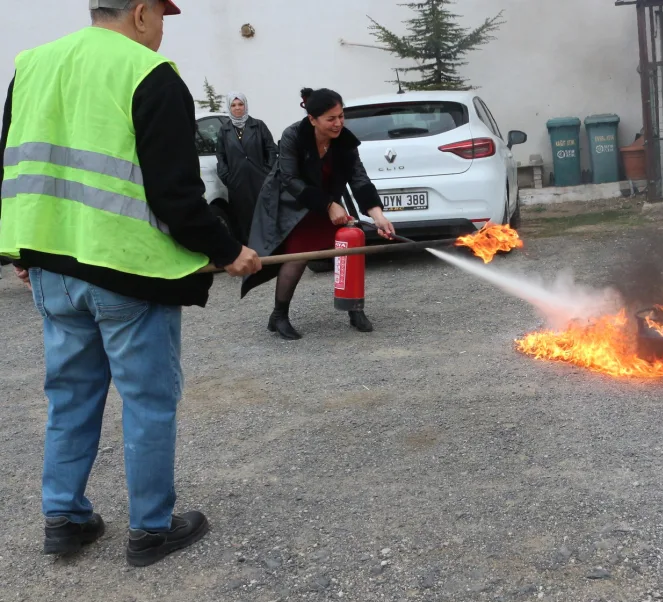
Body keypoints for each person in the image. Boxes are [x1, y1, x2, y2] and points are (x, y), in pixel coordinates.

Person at [0, 0, 261, 567]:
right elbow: (176, 194)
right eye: (163, 17)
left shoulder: (31, 65)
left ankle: (64, 518)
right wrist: (229, 251)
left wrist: (22, 249)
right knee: (147, 402)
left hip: (53, 267)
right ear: (141, 13)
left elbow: (13, 165)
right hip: (129, 275)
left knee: (68, 397)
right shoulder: (149, 75)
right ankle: (150, 529)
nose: (163, 30)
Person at [243, 87, 396, 340]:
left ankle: (354, 308)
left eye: (341, 116)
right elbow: (290, 179)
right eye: (331, 119)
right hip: (294, 202)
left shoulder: (345, 141)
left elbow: (359, 178)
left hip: (327, 202)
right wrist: (328, 205)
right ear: (312, 119)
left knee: (351, 245)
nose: (338, 123)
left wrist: (377, 215)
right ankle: (279, 314)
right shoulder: (293, 135)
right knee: (299, 255)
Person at [215, 91, 276, 244]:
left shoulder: (258, 125)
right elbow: (220, 155)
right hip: (237, 182)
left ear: (245, 105)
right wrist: (227, 177)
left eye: (240, 104)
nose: (237, 108)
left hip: (259, 179)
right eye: (233, 105)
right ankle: (248, 252)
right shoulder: (225, 130)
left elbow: (271, 149)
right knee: (243, 219)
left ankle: (269, 250)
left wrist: (267, 172)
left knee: (263, 215)